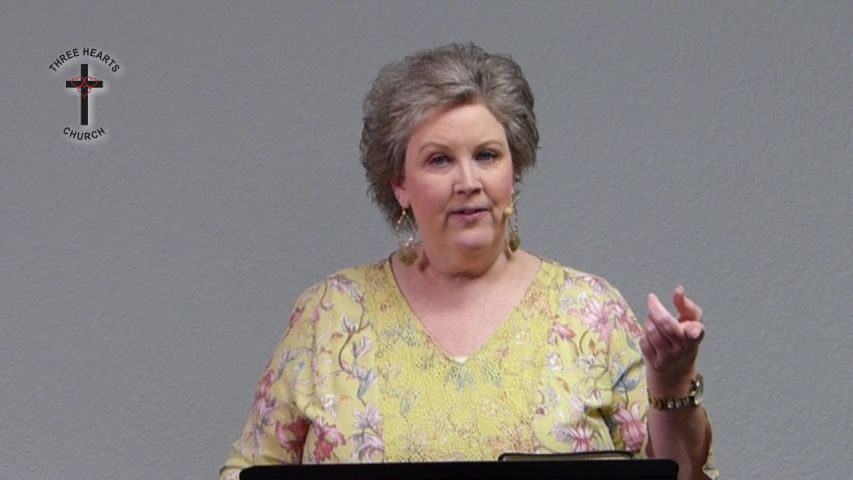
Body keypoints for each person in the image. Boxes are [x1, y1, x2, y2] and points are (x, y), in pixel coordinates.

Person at [220, 43, 718, 480]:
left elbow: (685, 478)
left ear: (513, 173)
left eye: (486, 155)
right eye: (439, 160)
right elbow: (245, 473)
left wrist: (671, 382)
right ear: (400, 185)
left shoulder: (592, 311)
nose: (468, 182)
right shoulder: (329, 314)